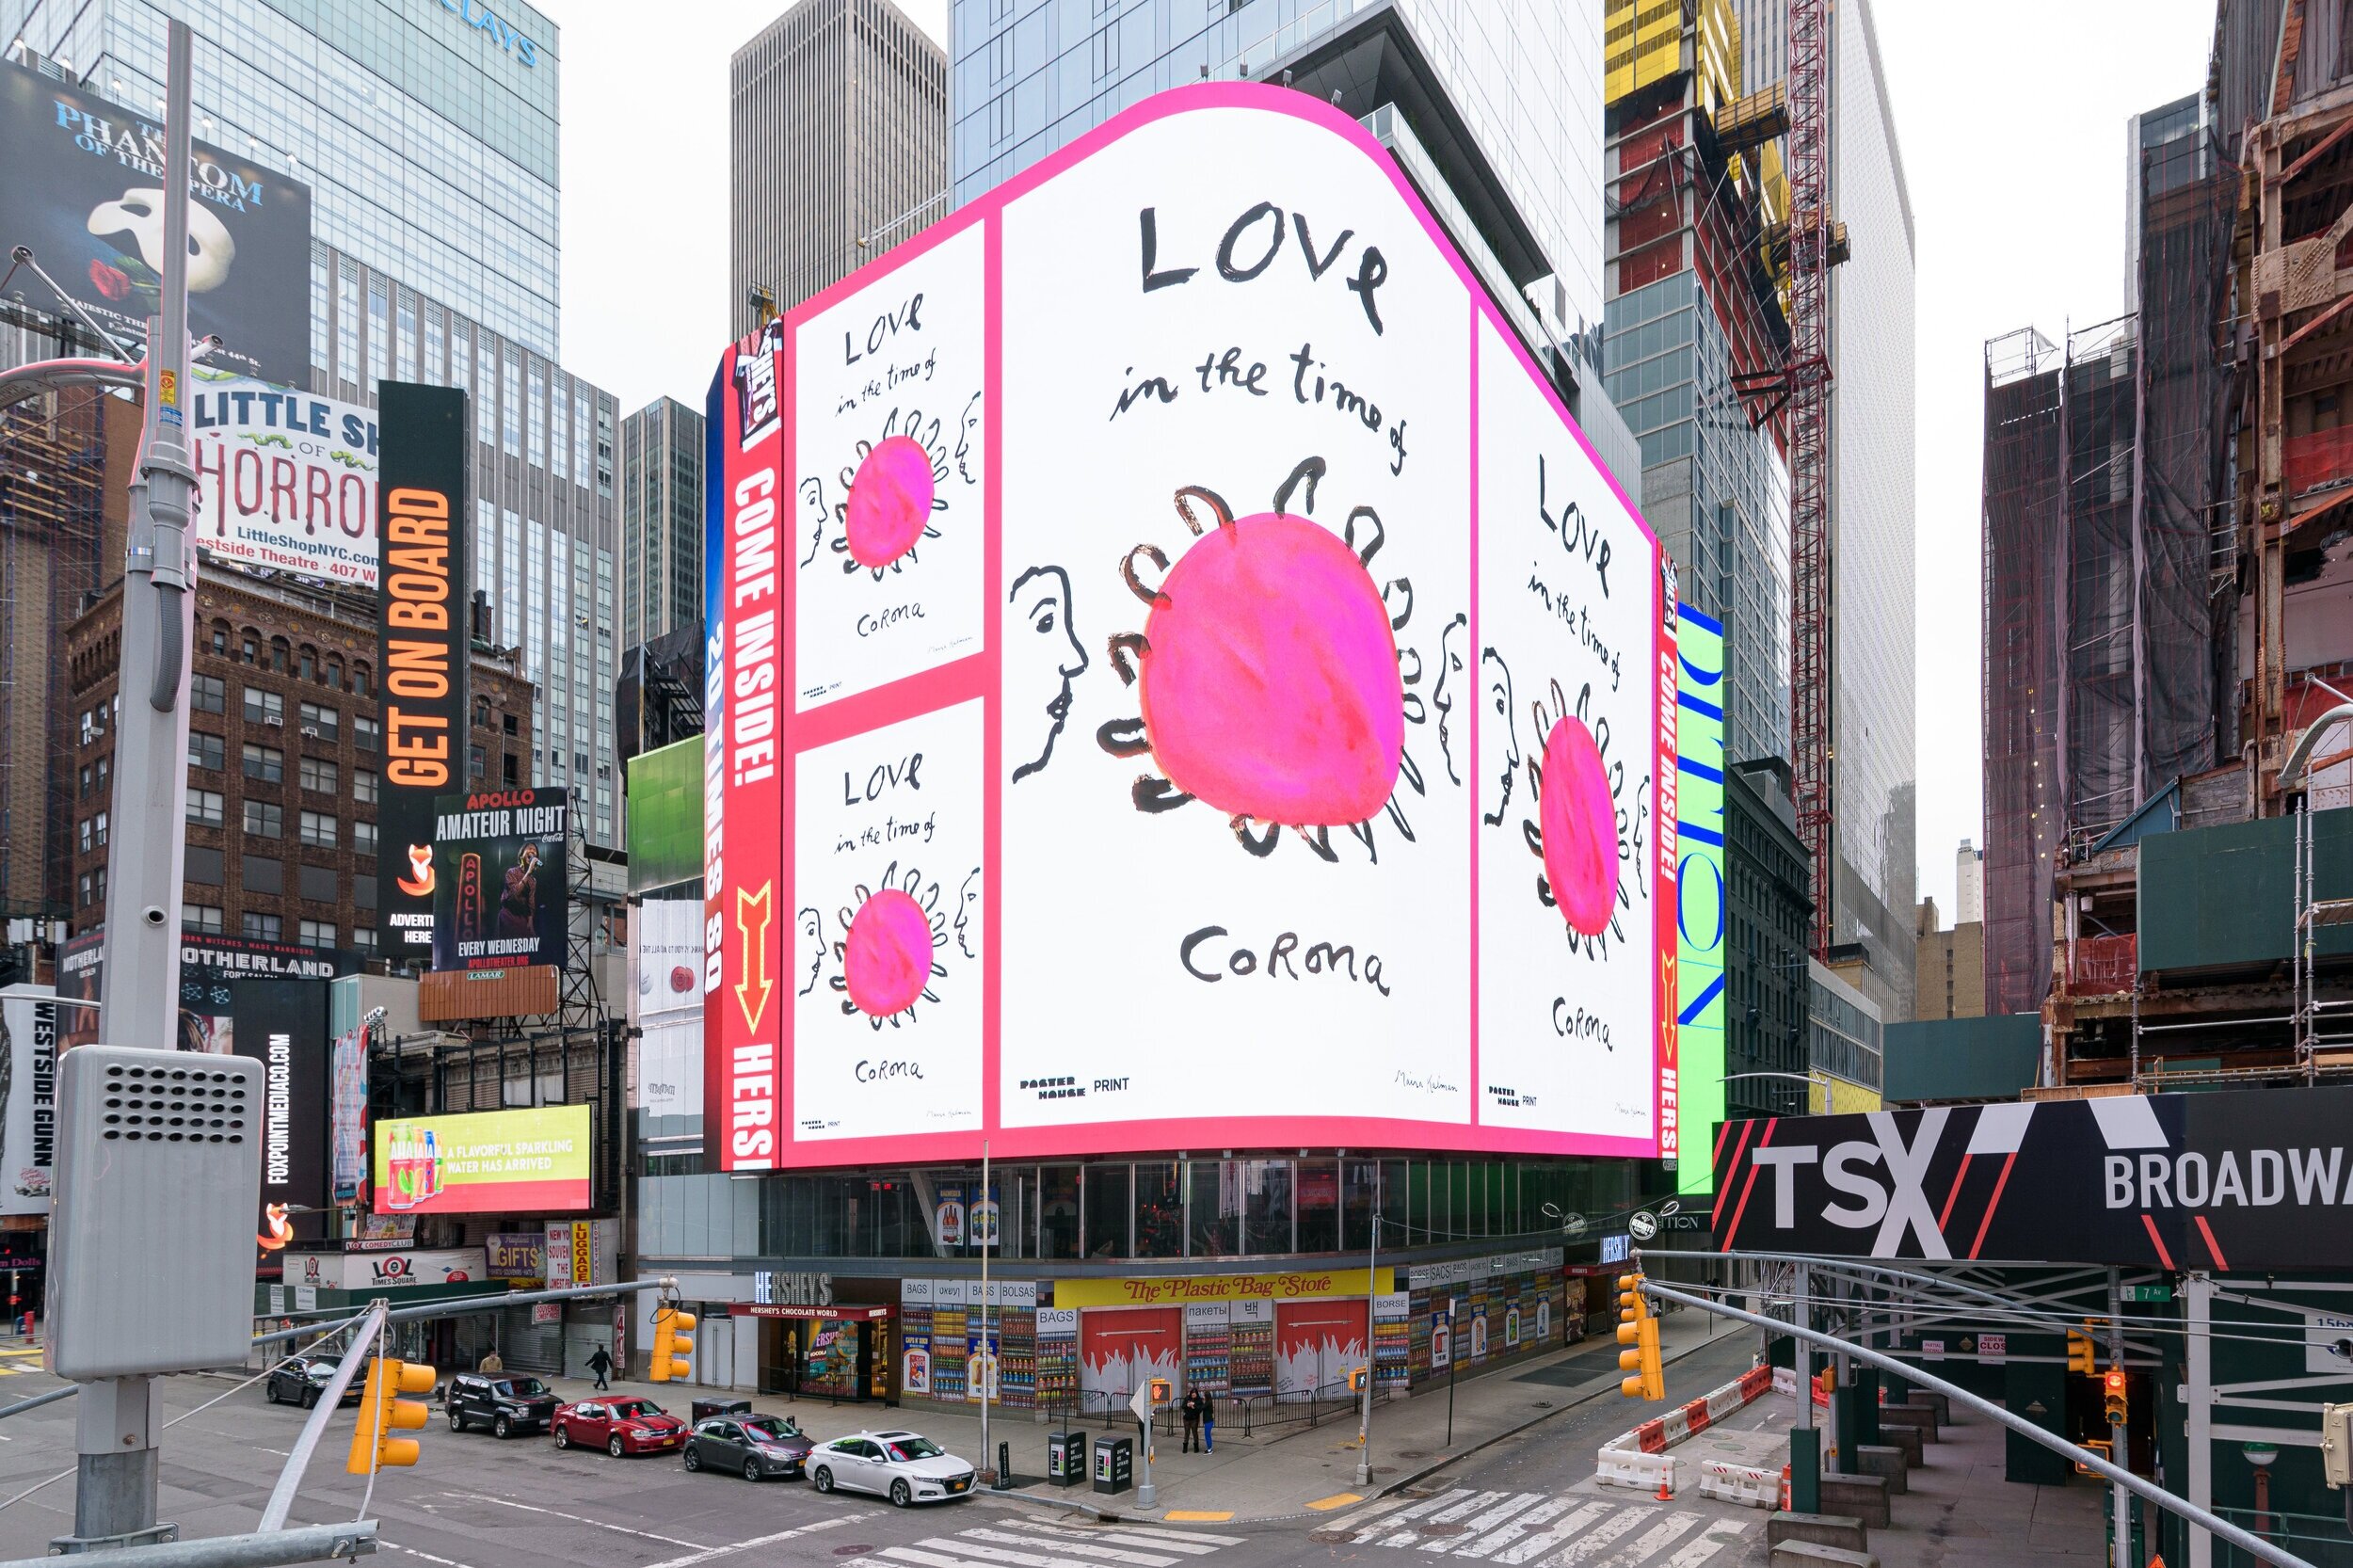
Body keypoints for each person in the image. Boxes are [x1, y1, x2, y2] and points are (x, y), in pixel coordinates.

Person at [1180, 1389, 1202, 1454]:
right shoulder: (1187, 1398)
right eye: (1192, 1393)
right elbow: (1183, 1406)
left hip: (1194, 1418)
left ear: (1197, 1394)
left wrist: (1194, 1406)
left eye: (1194, 1393)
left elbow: (1200, 1409)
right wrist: (1187, 1405)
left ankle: (1196, 1447)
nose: (1193, 1394)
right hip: (1186, 1418)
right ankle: (1185, 1447)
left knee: (1194, 1432)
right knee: (1187, 1432)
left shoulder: (1199, 1400)